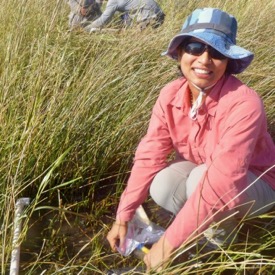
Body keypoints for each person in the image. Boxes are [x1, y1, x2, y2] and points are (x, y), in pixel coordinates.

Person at [106, 7, 275, 272]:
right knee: (163, 183)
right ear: (180, 53)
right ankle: (196, 226)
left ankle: (218, 246)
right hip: (207, 174)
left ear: (228, 61)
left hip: (259, 184)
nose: (205, 60)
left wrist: (166, 246)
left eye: (217, 52)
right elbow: (150, 155)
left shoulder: (245, 103)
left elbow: (221, 182)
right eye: (195, 47)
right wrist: (123, 216)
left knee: (202, 180)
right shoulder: (170, 94)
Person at [84, 0, 165, 32]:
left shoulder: (112, 2)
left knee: (133, 37)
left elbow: (103, 21)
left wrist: (87, 28)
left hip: (148, 16)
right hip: (160, 14)